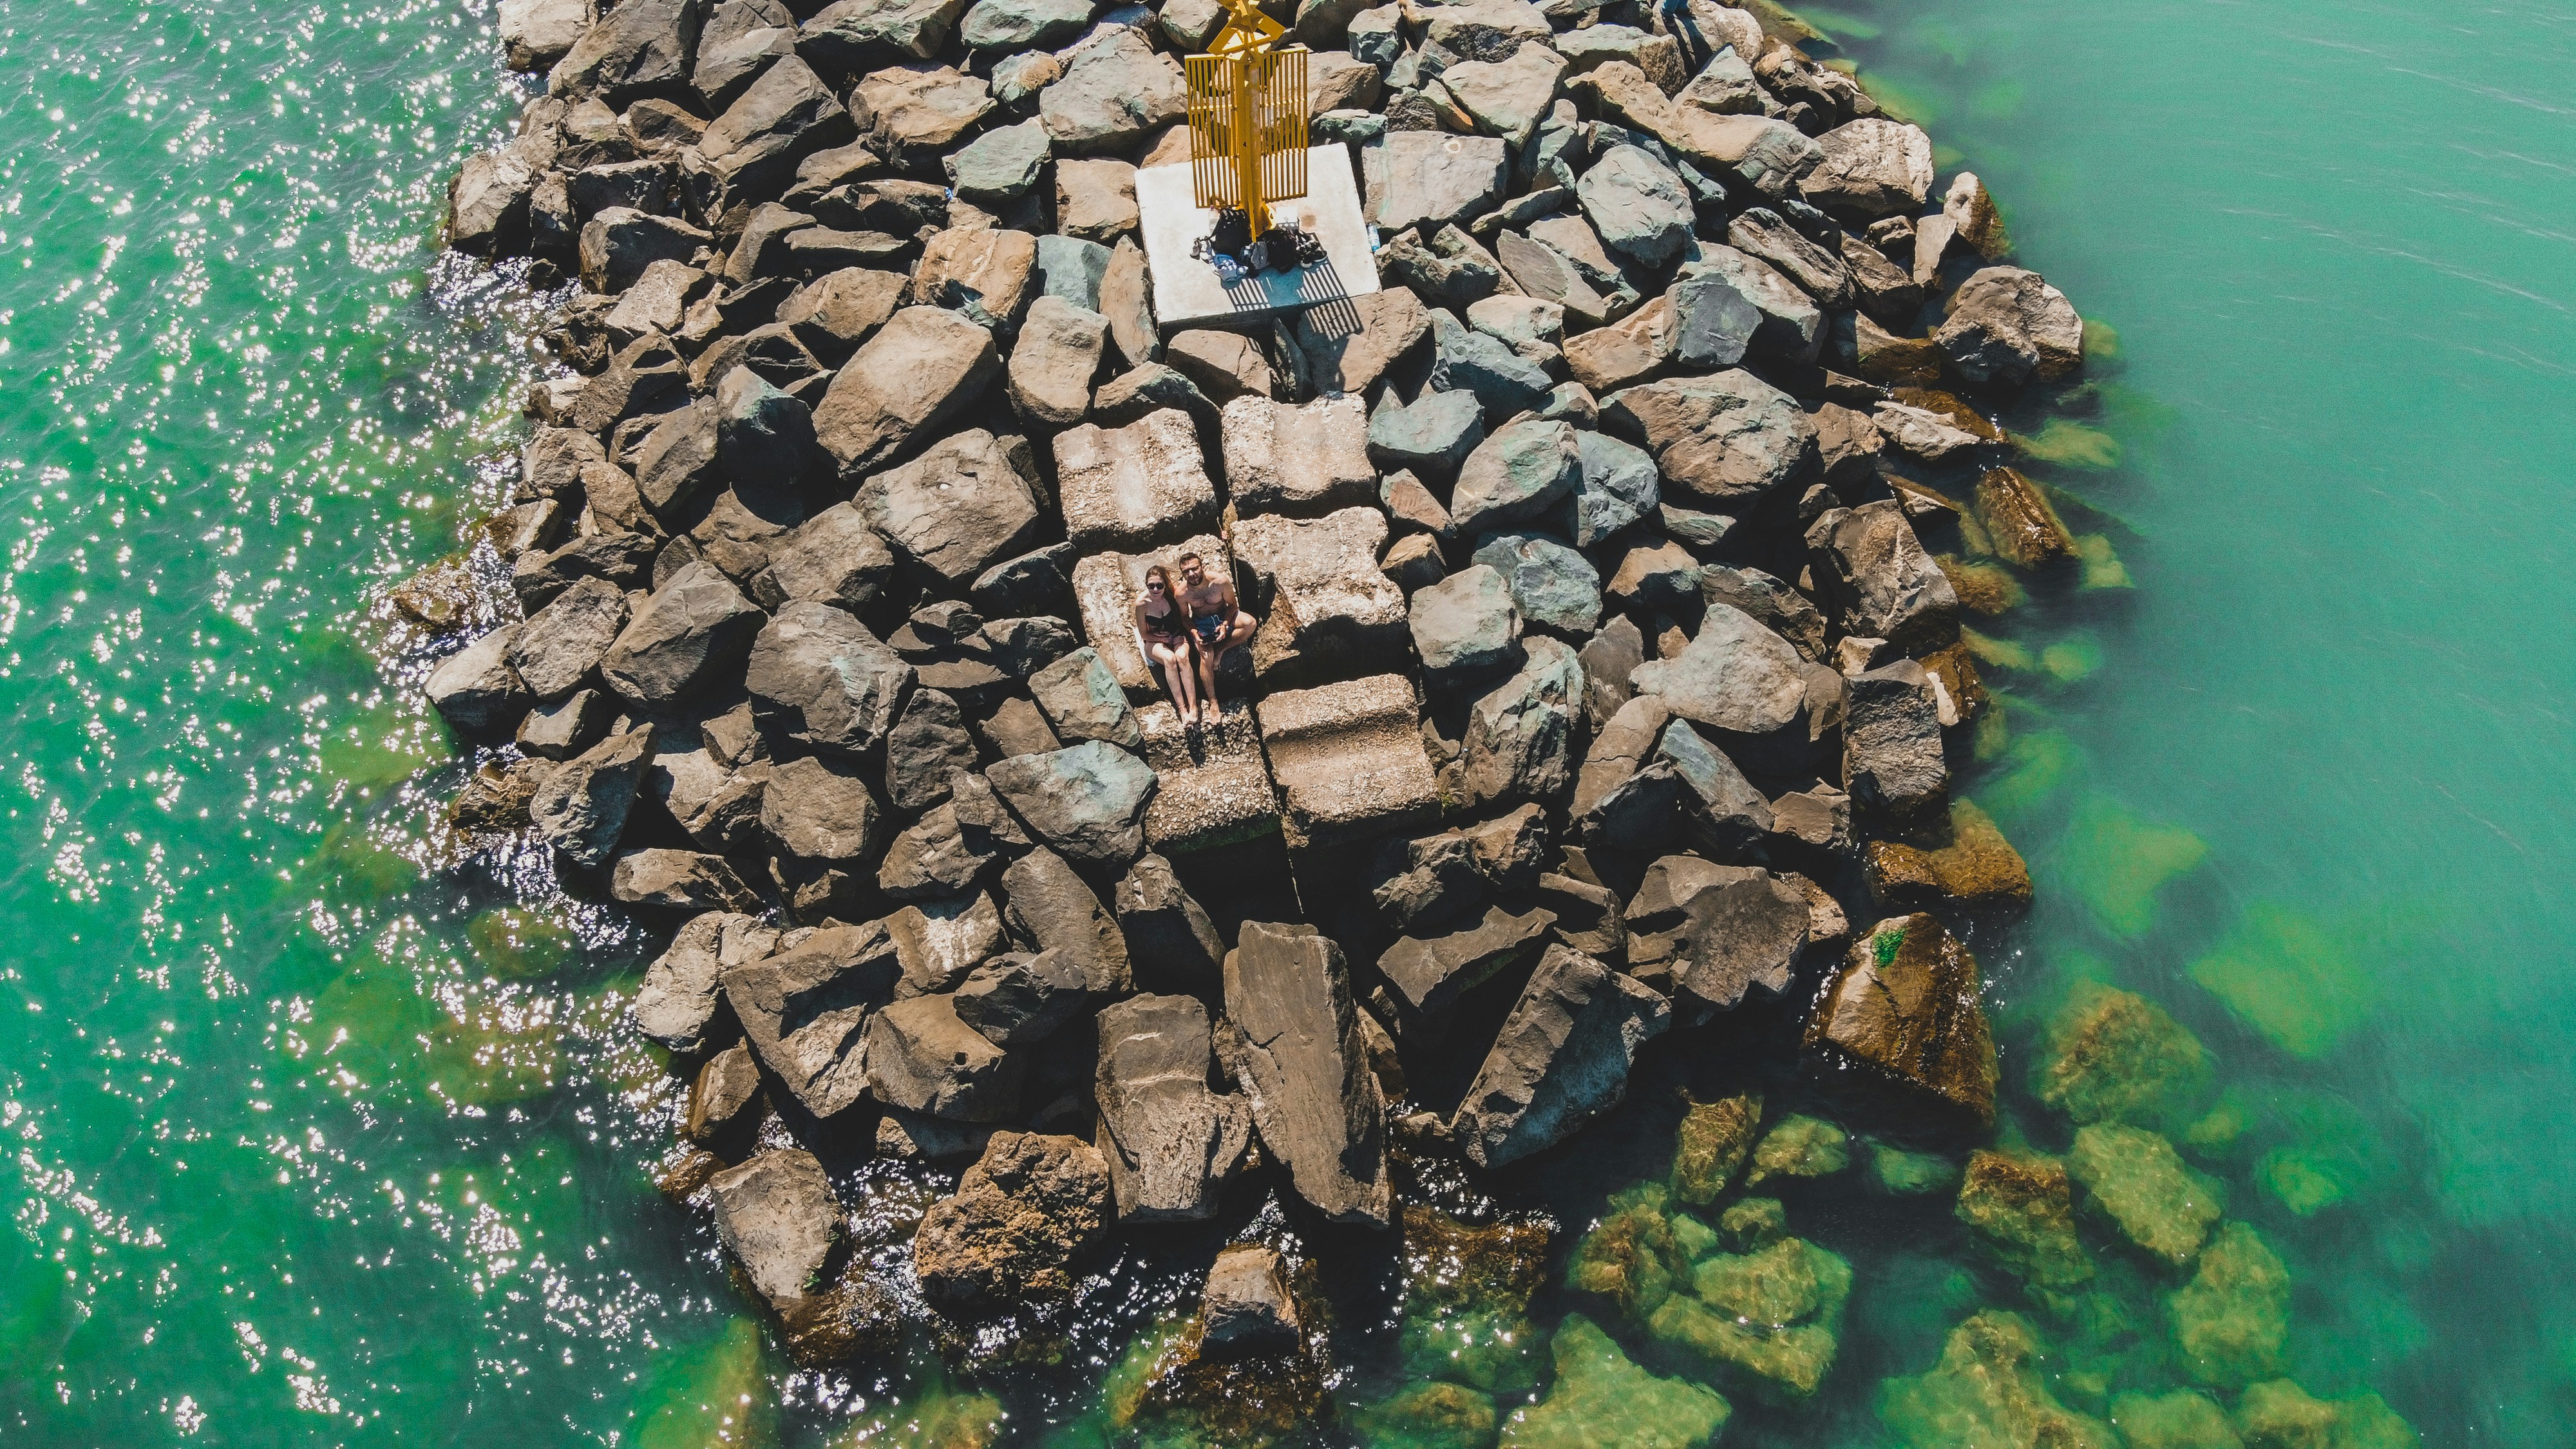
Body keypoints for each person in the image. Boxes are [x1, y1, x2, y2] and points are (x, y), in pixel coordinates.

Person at [1177, 549, 1255, 725]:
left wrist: (1225, 625)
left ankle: (1222, 649)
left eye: (1195, 569)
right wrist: (1195, 632)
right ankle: (1213, 702)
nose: (1192, 574)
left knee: (1250, 623)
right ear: (1182, 573)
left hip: (1223, 616)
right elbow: (1184, 617)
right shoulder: (1182, 593)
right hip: (1202, 623)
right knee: (1206, 657)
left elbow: (1233, 605)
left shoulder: (1220, 582)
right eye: (1186, 571)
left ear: (1202, 567)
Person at [1133, 562, 1200, 726]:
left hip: (1177, 635)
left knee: (1182, 657)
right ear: (1146, 585)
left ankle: (1193, 707)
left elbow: (1184, 616)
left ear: (1165, 585)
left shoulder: (1173, 595)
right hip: (1154, 640)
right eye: (1151, 586)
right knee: (1170, 660)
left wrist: (1180, 635)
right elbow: (1144, 633)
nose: (1155, 590)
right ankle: (1182, 709)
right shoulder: (1142, 604)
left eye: (1159, 585)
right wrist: (1163, 639)